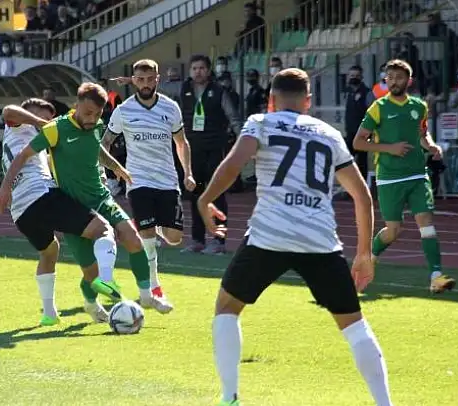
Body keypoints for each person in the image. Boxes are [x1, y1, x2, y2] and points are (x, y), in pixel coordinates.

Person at [198, 68, 392, 406]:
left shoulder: (260, 122)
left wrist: (205, 200)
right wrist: (363, 254)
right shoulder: (329, 134)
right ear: (308, 101)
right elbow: (362, 196)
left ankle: (229, 398)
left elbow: (234, 163)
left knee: (227, 308)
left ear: (271, 100)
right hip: (319, 239)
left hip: (269, 236)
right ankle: (385, 403)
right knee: (354, 326)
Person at [0, 82, 173, 314]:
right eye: (88, 113)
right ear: (77, 105)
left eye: (97, 114)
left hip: (100, 197)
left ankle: (146, 297)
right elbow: (18, 140)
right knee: (90, 272)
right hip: (74, 204)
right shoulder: (51, 129)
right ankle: (90, 302)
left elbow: (95, 148)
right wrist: (6, 187)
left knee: (133, 240)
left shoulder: (95, 126)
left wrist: (115, 166)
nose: (92, 118)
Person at [0, 98, 119, 325]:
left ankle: (49, 313)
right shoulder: (20, 125)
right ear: (30, 111)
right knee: (102, 229)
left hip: (21, 212)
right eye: (46, 116)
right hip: (40, 196)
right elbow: (9, 110)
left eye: (51, 118)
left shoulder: (30, 140)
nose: (49, 121)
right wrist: (40, 122)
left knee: (50, 251)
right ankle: (104, 280)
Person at [353, 59, 455, 293]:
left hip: (417, 175)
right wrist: (390, 148)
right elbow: (358, 142)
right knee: (393, 231)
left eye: (399, 78)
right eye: (390, 78)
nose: (394, 82)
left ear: (409, 81)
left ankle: (436, 277)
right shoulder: (378, 107)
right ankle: (370, 257)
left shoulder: (419, 106)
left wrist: (431, 146)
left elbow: (422, 134)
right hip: (390, 178)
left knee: (426, 223)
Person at [101, 59, 196, 299]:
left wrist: (188, 173)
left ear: (157, 79)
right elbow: (105, 142)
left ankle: (145, 223)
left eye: (150, 79)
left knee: (174, 238)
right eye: (140, 79)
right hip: (138, 179)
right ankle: (154, 284)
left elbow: (181, 142)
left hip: (167, 180)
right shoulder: (123, 111)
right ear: (134, 81)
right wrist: (108, 171)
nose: (145, 84)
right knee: (149, 238)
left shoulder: (170, 108)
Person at [180, 54, 242, 254]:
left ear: (208, 70)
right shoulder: (184, 90)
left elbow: (233, 117)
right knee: (195, 193)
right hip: (193, 149)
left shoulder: (219, 91)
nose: (198, 72)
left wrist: (242, 141)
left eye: (201, 68)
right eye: (194, 68)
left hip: (215, 148)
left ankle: (218, 241)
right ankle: (197, 239)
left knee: (216, 192)